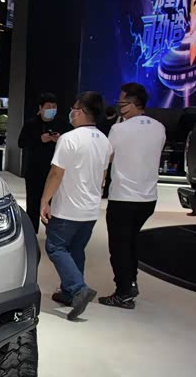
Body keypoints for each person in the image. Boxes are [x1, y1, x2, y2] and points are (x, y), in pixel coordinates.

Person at [40, 91, 112, 321]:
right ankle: (70, 292)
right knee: (76, 249)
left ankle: (79, 289)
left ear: (80, 112)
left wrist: (45, 200)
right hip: (90, 209)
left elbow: (56, 173)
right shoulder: (105, 141)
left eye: (73, 108)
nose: (71, 112)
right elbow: (103, 175)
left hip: (68, 208)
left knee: (56, 247)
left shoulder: (69, 139)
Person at [99, 82, 165, 309]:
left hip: (123, 198)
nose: (119, 107)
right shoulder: (159, 127)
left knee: (119, 246)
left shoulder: (119, 129)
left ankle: (123, 291)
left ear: (132, 103)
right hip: (148, 198)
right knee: (131, 243)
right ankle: (131, 283)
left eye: (121, 102)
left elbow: (106, 157)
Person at [18, 92, 73, 233]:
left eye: (54, 107)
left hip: (55, 170)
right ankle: (31, 232)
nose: (51, 109)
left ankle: (53, 232)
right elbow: (21, 142)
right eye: (48, 107)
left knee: (54, 203)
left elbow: (72, 143)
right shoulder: (31, 124)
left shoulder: (62, 124)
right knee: (33, 202)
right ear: (40, 108)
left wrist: (60, 139)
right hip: (34, 169)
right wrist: (39, 139)